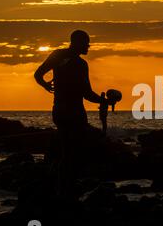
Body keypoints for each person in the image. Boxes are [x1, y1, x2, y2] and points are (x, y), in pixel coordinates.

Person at [34, 30, 112, 198]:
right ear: (77, 43)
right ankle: (65, 190)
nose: (88, 47)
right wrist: (103, 101)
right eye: (86, 43)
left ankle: (62, 188)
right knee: (73, 153)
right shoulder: (80, 64)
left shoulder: (58, 55)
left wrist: (45, 85)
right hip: (75, 113)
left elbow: (38, 74)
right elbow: (87, 94)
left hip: (60, 111)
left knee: (68, 151)